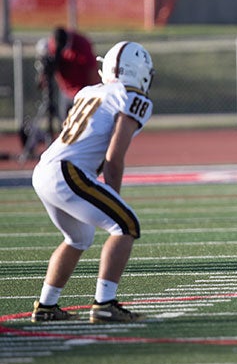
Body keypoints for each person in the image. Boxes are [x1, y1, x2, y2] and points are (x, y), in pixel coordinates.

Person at [30, 41, 155, 323]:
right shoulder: (131, 96)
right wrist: (115, 197)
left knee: (78, 237)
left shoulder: (90, 92)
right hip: (67, 172)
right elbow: (114, 156)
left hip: (45, 169)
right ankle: (104, 303)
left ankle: (47, 306)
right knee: (125, 224)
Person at [35, 27, 101, 119]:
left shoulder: (82, 44)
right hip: (65, 91)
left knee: (82, 125)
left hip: (82, 92)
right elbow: (50, 63)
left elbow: (92, 71)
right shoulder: (52, 44)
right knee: (65, 123)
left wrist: (91, 93)